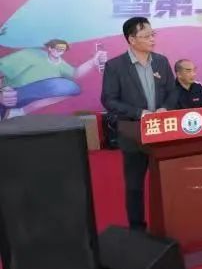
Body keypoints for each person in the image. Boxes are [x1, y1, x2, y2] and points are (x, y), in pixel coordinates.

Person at [100, 17, 177, 231]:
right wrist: (139, 113)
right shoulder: (115, 66)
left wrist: (165, 108)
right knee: (135, 185)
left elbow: (173, 92)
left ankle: (168, 224)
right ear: (131, 39)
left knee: (166, 181)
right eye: (146, 36)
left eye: (153, 34)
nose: (152, 39)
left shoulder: (161, 61)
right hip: (133, 133)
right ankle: (137, 229)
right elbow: (109, 100)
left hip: (161, 131)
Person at [0, 39, 106, 119]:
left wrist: (93, 61)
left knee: (71, 87)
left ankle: (19, 111)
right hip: (10, 93)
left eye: (62, 49)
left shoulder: (60, 64)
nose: (59, 51)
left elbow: (75, 73)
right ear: (50, 48)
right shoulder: (31, 54)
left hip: (21, 102)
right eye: (57, 48)